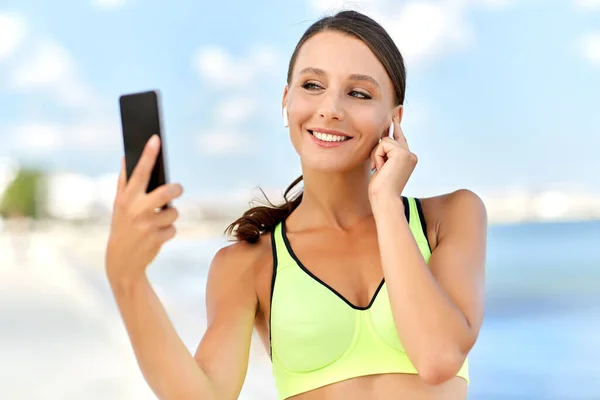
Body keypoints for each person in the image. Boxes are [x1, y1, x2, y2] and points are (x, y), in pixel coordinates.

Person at [105, 10, 487, 400]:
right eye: (312, 85)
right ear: (287, 100)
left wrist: (386, 203)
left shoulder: (449, 218)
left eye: (359, 93)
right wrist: (127, 280)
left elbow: (439, 357)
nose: (331, 108)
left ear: (395, 119)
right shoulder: (247, 264)